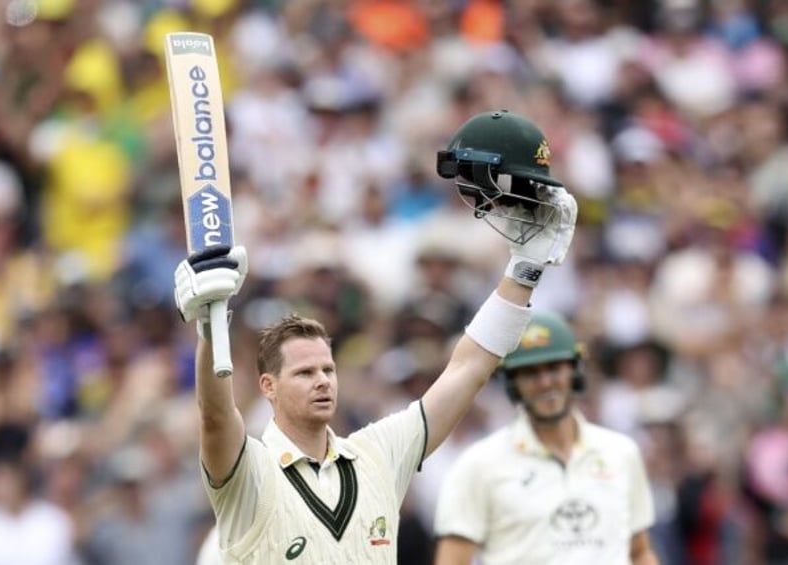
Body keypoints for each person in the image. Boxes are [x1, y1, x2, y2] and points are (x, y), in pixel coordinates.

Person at [172, 109, 578, 563]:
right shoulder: (250, 473)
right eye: (305, 372)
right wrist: (210, 326)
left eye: (327, 369)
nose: (323, 380)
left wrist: (523, 272)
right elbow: (214, 415)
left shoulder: (377, 455)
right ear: (268, 386)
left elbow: (469, 368)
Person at [434, 312, 660, 565]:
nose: (545, 382)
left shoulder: (621, 452)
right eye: (530, 372)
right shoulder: (479, 464)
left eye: (554, 368)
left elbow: (640, 552)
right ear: (511, 381)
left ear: (574, 369)